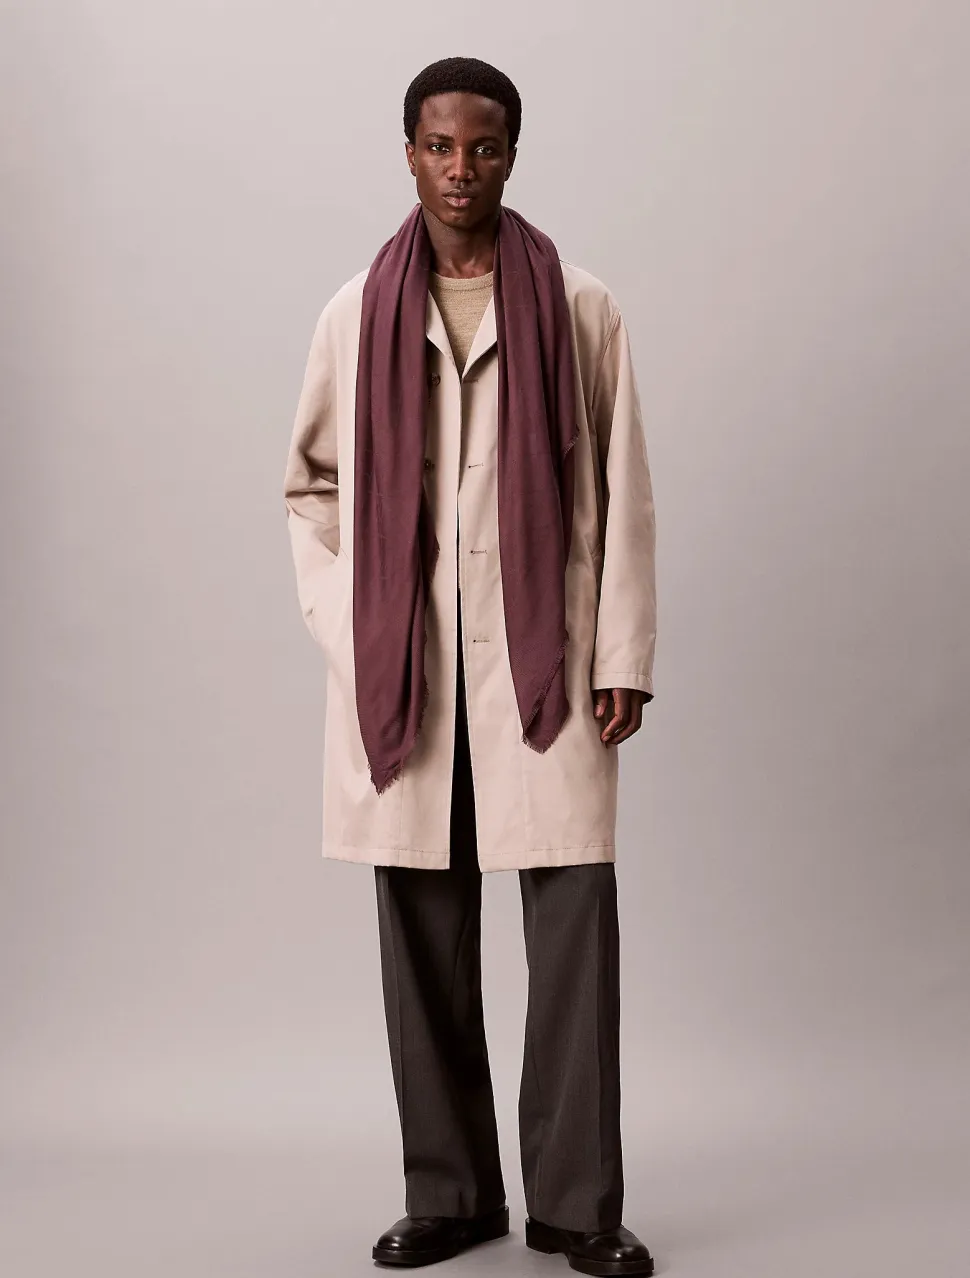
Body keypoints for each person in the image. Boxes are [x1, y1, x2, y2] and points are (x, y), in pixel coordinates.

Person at [283, 55, 657, 1276]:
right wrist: (353, 628)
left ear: (511, 157)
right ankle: (447, 1193)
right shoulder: (355, 312)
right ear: (408, 152)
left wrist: (622, 650)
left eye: (483, 148)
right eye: (439, 147)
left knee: (573, 929)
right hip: (409, 673)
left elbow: (622, 489)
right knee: (421, 933)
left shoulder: (580, 305)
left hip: (547, 662)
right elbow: (310, 488)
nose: (460, 170)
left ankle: (577, 1207)